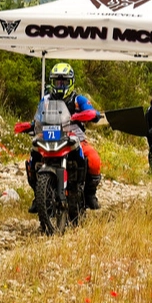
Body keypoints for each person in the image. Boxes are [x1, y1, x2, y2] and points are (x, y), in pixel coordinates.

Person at [25, 63, 103, 212]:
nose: (60, 85)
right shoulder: (45, 100)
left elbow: (91, 111)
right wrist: (30, 125)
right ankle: (38, 196)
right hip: (49, 136)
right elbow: (38, 118)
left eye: (64, 82)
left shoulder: (78, 100)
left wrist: (90, 114)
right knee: (32, 159)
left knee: (94, 159)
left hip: (75, 137)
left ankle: (90, 194)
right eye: (57, 82)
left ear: (71, 82)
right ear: (51, 82)